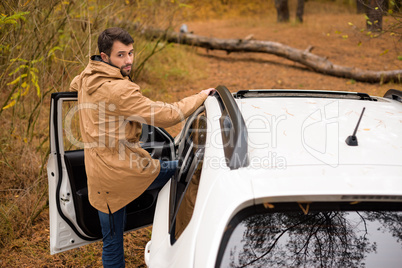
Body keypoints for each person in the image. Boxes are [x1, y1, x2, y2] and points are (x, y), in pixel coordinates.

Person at [69, 27, 215, 267]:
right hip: (125, 173)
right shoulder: (119, 89)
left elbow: (74, 85)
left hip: (99, 177)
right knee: (184, 167)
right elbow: (168, 115)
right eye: (121, 55)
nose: (128, 60)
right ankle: (187, 231)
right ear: (104, 57)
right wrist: (200, 96)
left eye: (131, 53)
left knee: (112, 241)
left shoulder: (87, 76)